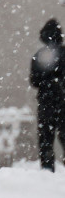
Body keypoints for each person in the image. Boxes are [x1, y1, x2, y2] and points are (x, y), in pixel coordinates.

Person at [30, 18, 65, 170]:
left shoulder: (39, 55)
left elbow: (34, 81)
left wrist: (46, 83)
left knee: (46, 140)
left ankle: (47, 172)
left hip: (46, 102)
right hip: (63, 101)